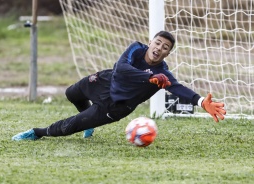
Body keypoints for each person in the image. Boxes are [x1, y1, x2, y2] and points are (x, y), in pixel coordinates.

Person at [12, 31, 226, 141]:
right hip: (104, 82)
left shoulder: (163, 74)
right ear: (151, 42)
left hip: (115, 107)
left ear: (168, 53)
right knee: (71, 93)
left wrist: (200, 102)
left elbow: (178, 88)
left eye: (165, 47)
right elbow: (121, 68)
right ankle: (88, 120)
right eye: (158, 43)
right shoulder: (135, 48)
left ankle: (36, 133)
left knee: (69, 126)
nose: (159, 48)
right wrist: (147, 77)